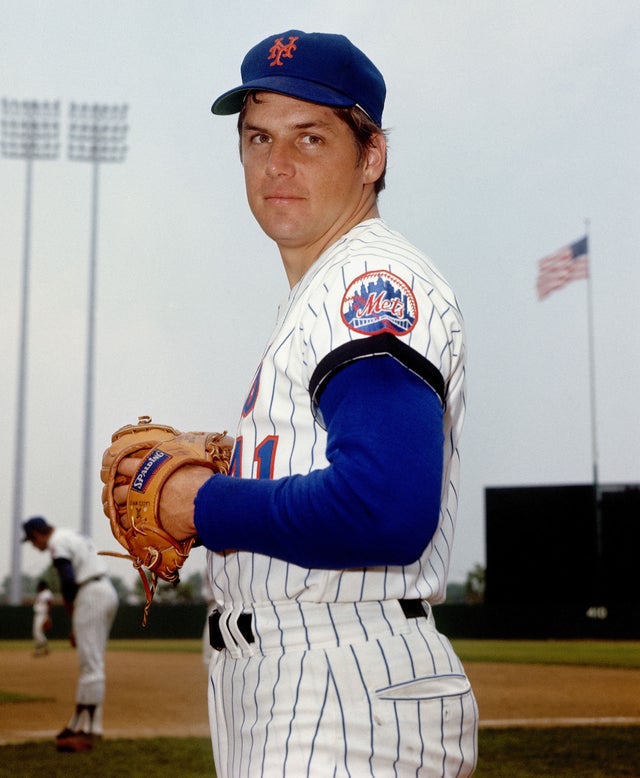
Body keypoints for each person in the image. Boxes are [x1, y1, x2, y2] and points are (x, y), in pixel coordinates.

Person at [115, 29, 478, 776]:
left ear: (371, 156)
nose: (275, 164)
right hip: (309, 677)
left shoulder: (367, 278)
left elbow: (386, 505)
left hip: (343, 684)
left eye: (310, 137)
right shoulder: (320, 294)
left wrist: (199, 503)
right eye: (257, 137)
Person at [22, 516, 119, 752]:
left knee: (91, 664)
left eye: (32, 541)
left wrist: (72, 612)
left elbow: (67, 579)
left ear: (36, 534)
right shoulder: (70, 535)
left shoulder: (57, 542)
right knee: (93, 662)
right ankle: (84, 725)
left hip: (91, 593)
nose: (34, 546)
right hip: (104, 591)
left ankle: (87, 731)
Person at [32, 579, 53, 657]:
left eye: (39, 586)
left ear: (42, 586)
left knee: (38, 632)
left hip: (43, 614)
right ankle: (41, 649)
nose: (38, 587)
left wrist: (47, 616)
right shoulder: (41, 593)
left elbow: (49, 604)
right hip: (38, 614)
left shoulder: (47, 593)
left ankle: (45, 646)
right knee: (36, 632)